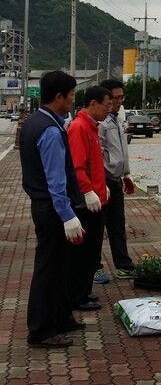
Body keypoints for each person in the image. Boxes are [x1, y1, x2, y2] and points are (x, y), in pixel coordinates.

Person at [19, 70, 85, 348]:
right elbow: (55, 179)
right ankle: (41, 329)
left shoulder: (37, 122)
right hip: (52, 207)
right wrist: (67, 215)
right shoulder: (48, 130)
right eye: (70, 96)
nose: (72, 102)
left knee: (60, 265)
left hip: (46, 205)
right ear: (58, 97)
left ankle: (60, 316)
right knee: (48, 267)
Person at [66, 86, 113, 313]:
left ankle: (83, 291)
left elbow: (94, 164)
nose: (109, 109)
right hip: (88, 203)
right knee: (84, 253)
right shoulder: (79, 127)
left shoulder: (92, 127)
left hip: (98, 198)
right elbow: (78, 165)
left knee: (93, 250)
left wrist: (101, 186)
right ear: (93, 104)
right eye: (107, 105)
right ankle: (77, 295)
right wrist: (87, 190)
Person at [97, 78, 136, 281]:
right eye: (116, 97)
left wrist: (126, 174)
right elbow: (97, 154)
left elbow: (122, 150)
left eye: (122, 97)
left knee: (117, 224)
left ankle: (123, 264)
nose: (120, 101)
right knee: (97, 226)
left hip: (116, 180)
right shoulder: (100, 123)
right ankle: (94, 267)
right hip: (102, 181)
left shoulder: (116, 119)